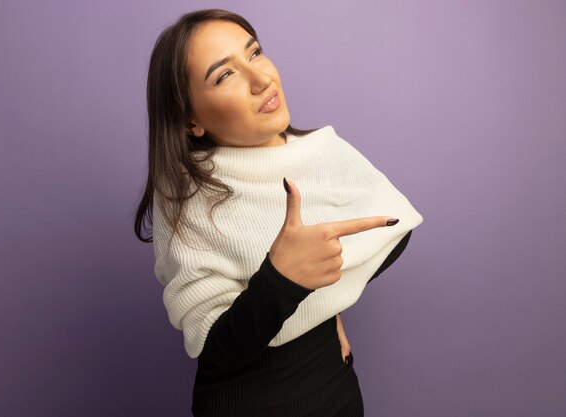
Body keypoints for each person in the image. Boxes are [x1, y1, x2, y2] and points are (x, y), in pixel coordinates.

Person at [134, 8, 424, 417]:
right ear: (190, 120)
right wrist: (283, 280)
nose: (262, 79)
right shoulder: (185, 197)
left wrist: (323, 298)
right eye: (224, 75)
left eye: (254, 53)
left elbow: (395, 229)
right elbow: (215, 347)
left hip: (335, 388)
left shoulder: (323, 151)